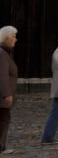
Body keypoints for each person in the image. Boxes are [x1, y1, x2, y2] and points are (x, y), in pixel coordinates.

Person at [0, 26, 17, 154]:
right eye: (14, 36)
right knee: (3, 120)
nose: (15, 39)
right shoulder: (2, 54)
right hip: (2, 96)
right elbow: (2, 76)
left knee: (4, 119)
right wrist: (7, 94)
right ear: (7, 38)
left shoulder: (5, 52)